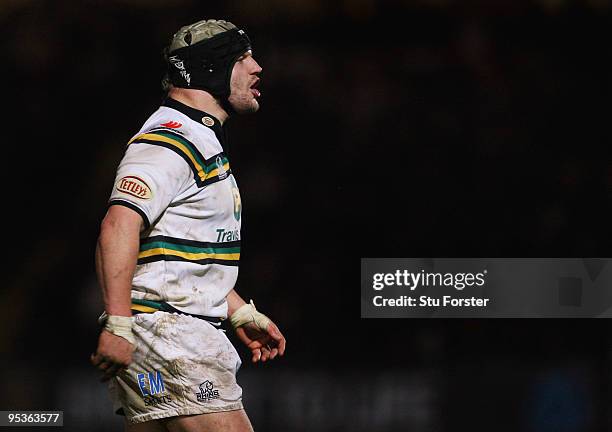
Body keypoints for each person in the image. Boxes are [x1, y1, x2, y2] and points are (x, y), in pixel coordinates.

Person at [91, 19, 286, 432]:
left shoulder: (197, 137)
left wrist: (238, 312)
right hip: (168, 333)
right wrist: (118, 323)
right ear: (211, 69)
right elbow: (117, 226)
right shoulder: (169, 138)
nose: (258, 68)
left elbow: (173, 249)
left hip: (167, 330)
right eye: (243, 57)